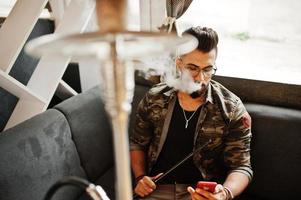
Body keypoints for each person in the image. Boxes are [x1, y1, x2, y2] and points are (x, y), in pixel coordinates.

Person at [130, 26, 252, 200]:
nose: (200, 78)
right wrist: (140, 178)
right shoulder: (154, 98)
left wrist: (224, 194)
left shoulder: (231, 108)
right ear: (179, 63)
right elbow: (137, 144)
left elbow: (242, 166)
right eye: (193, 68)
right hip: (157, 189)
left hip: (202, 194)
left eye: (208, 69)